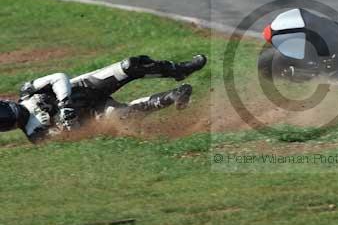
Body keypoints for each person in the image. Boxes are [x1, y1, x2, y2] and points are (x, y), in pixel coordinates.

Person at [1, 54, 207, 142]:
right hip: (94, 112)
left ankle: (179, 69)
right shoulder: (35, 135)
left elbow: (58, 77)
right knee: (123, 116)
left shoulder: (27, 91)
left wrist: (64, 104)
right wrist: (69, 126)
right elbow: (72, 136)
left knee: (131, 65)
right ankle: (174, 95)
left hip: (86, 87)